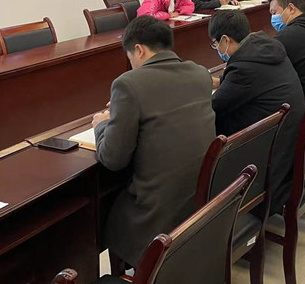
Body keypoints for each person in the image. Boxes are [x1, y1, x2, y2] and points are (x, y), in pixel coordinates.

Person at [92, 16, 216, 269]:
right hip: (198, 202)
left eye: (130, 58)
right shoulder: (199, 73)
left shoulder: (128, 84)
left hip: (156, 216)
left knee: (102, 211)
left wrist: (102, 124)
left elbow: (113, 159)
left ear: (138, 49)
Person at [209, 11, 305, 212]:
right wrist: (223, 81)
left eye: (216, 43)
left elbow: (213, 107)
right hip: (289, 147)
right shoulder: (265, 47)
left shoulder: (244, 68)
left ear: (225, 39)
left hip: (270, 163)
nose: (217, 49)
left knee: (211, 132)